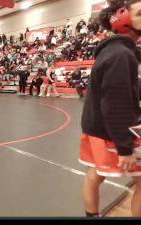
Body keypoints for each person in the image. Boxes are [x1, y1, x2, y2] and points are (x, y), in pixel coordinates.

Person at [79, 0, 141, 217]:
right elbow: (115, 103)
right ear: (122, 20)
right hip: (114, 133)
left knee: (95, 174)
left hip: (98, 129)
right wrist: (124, 148)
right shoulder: (121, 55)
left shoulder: (119, 51)